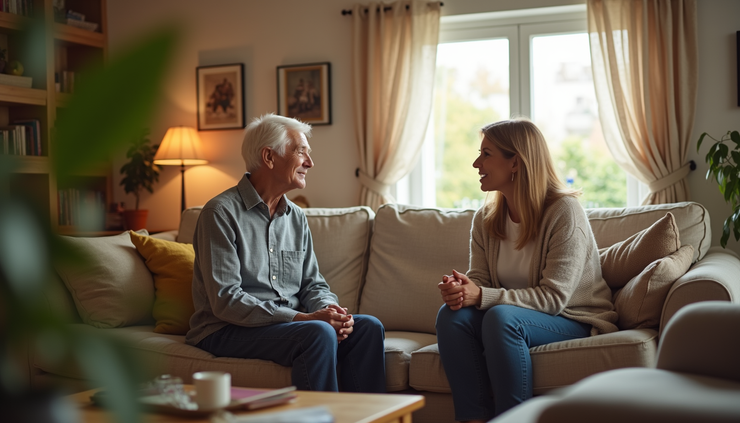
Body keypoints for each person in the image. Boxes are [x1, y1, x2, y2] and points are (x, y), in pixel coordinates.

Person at [186, 113, 386, 393]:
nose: (310, 162)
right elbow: (226, 300)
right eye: (301, 152)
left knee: (368, 328)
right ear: (269, 157)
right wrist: (303, 319)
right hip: (225, 329)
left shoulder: (295, 217)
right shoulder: (220, 213)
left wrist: (330, 309)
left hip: (284, 325)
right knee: (317, 332)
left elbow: (312, 284)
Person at [435, 118, 618, 422]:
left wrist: (481, 296)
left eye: (486, 154)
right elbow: (481, 280)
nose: (476, 163)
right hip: (514, 316)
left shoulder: (564, 212)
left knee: (501, 317)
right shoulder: (486, 218)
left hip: (573, 318)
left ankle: (513, 418)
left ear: (515, 163)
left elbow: (553, 298)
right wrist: (464, 289)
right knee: (451, 316)